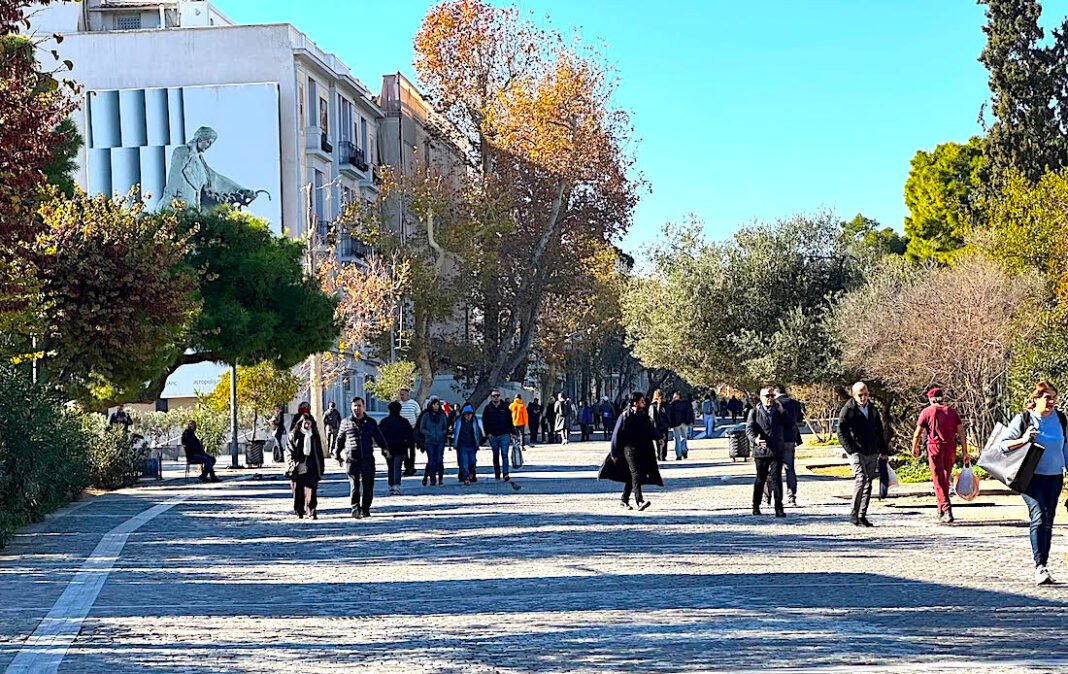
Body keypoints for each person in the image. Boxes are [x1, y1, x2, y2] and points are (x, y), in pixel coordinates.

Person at [996, 381, 1068, 585]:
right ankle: (1039, 566)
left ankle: (1043, 564)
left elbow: (1066, 448)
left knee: (1049, 519)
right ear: (1036, 399)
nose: (1051, 401)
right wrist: (1024, 439)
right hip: (1030, 477)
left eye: (1054, 397)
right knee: (1039, 514)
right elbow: (1002, 445)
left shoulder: (1061, 419)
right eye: (1047, 397)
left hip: (1054, 476)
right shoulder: (1025, 419)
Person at [911, 387, 969, 523]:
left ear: (930, 399)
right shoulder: (952, 412)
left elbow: (918, 432)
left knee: (938, 479)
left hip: (934, 446)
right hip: (950, 447)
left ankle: (946, 509)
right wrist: (965, 451)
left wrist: (914, 447)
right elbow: (961, 432)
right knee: (945, 478)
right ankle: (941, 509)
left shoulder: (926, 412)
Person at [598, 392, 663, 511]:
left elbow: (650, 429)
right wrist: (614, 453)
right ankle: (640, 501)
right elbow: (616, 435)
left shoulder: (644, 416)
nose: (644, 403)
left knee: (631, 476)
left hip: (643, 449)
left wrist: (658, 438)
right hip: (629, 449)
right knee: (636, 473)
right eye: (642, 401)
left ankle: (624, 499)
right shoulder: (625, 416)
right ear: (635, 403)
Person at [838, 382, 889, 527]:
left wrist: (884, 451)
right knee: (861, 478)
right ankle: (853, 513)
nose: (863, 397)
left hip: (871, 450)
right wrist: (850, 449)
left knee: (868, 482)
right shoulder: (848, 409)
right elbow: (841, 431)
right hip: (856, 450)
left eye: (865, 394)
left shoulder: (872, 409)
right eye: (860, 395)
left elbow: (879, 430)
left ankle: (862, 514)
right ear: (854, 395)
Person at [335, 397, 388, 519]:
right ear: (351, 407)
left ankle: (365, 509)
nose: (356, 408)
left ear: (363, 407)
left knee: (368, 485)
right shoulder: (345, 422)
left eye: (359, 406)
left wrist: (385, 449)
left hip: (367, 458)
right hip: (351, 458)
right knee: (355, 485)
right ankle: (355, 508)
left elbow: (379, 437)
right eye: (354, 406)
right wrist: (337, 455)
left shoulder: (370, 422)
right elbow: (340, 439)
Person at [747, 386, 793, 517]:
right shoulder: (754, 412)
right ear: (761, 398)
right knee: (760, 479)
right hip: (761, 451)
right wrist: (755, 440)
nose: (770, 399)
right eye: (767, 396)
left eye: (772, 396)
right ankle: (756, 506)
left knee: (776, 478)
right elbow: (749, 429)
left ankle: (779, 507)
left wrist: (782, 410)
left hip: (776, 450)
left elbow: (790, 424)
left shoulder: (778, 411)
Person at [765, 385, 804, 507]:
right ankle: (792, 496)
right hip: (790, 440)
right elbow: (800, 420)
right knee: (790, 468)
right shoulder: (795, 404)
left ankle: (767, 497)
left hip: (775, 440)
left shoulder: (773, 403)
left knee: (772, 469)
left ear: (775, 394)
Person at [288, 414, 325, 519]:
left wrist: (321, 468)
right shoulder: (294, 435)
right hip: (298, 464)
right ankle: (299, 510)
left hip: (312, 464)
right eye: (305, 422)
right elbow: (289, 451)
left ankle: (312, 510)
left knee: (312, 489)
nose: (307, 424)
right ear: (301, 423)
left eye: (309, 422)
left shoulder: (314, 435)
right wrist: (292, 464)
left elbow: (319, 452)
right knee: (298, 489)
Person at [380, 401, 415, 495]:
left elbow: (379, 435)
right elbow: (409, 435)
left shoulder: (384, 422)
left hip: (388, 447)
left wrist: (382, 447)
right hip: (400, 447)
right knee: (397, 467)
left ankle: (391, 485)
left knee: (390, 466)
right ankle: (396, 485)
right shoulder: (404, 421)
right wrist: (409, 446)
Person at [483, 389, 515, 481]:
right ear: (491, 397)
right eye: (494, 396)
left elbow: (510, 420)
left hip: (504, 435)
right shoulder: (488, 408)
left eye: (497, 395)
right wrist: (487, 433)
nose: (496, 397)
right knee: (495, 455)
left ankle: (505, 473)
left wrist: (512, 433)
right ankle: (497, 472)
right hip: (493, 436)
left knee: (504, 454)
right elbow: (485, 422)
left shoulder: (505, 407)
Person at [419, 397, 449, 486]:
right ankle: (431, 478)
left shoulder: (442, 415)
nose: (436, 406)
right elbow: (422, 428)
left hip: (440, 441)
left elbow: (445, 427)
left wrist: (442, 433)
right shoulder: (426, 415)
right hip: (429, 441)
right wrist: (428, 433)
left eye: (437, 405)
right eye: (434, 404)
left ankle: (440, 478)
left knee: (439, 459)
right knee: (431, 460)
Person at [453, 404, 484, 484]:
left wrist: (478, 443)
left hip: (472, 445)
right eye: (467, 414)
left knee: (472, 461)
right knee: (464, 463)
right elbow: (456, 432)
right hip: (462, 445)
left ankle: (471, 473)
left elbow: (477, 433)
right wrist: (455, 444)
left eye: (470, 414)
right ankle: (465, 477)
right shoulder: (459, 421)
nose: (468, 416)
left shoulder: (474, 422)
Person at [397, 388, 421, 476]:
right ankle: (407, 467)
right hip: (401, 431)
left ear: (407, 395)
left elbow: (418, 416)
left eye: (402, 394)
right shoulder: (399, 405)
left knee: (411, 450)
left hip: (412, 430)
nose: (401, 396)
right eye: (400, 394)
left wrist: (417, 429)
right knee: (404, 450)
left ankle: (411, 467)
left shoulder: (414, 404)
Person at [649, 389, 671, 461]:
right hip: (661, 425)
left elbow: (652, 417)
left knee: (660, 441)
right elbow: (655, 416)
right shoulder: (655, 405)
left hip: (659, 425)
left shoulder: (655, 405)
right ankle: (661, 455)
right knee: (662, 440)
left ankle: (661, 455)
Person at [668, 392, 691, 460]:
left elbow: (670, 415)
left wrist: (670, 423)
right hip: (684, 422)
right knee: (684, 437)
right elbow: (689, 412)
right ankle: (684, 449)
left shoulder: (672, 405)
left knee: (677, 438)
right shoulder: (685, 403)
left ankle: (678, 454)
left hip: (676, 424)